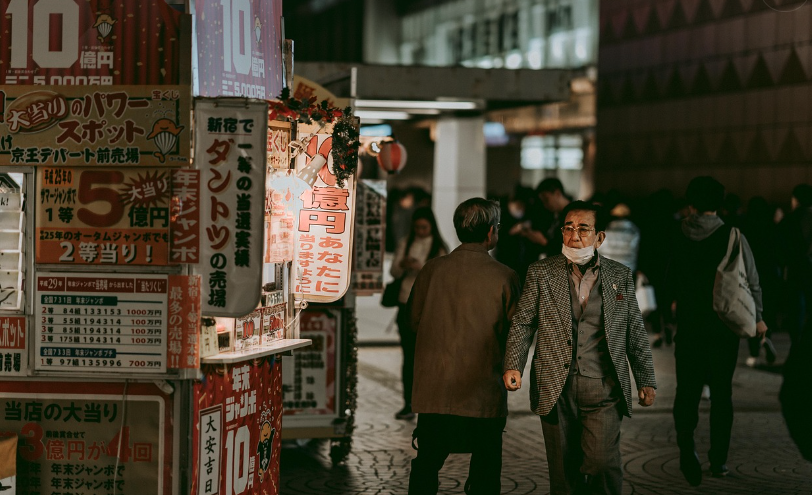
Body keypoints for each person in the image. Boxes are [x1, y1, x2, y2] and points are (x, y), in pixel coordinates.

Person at [503, 200, 657, 495]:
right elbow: (523, 322)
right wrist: (514, 364)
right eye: (568, 228)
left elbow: (634, 329)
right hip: (554, 386)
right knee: (563, 473)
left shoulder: (619, 276)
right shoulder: (541, 272)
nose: (574, 236)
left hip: (603, 386)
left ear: (600, 237)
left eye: (583, 229)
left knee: (602, 463)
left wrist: (646, 379)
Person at [408, 198, 520, 495]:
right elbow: (516, 333)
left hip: (434, 391)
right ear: (490, 233)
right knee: (485, 468)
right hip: (481, 391)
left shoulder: (432, 270)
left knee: (427, 462)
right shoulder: (505, 277)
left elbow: (413, 321)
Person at [666, 176, 766, 486]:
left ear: (691, 203)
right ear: (719, 203)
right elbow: (750, 279)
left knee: (687, 390)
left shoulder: (677, 233)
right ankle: (718, 460)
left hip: (689, 326)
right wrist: (758, 317)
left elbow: (667, 276)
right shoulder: (732, 235)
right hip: (723, 328)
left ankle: (686, 445)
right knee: (722, 394)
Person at [390, 207, 447, 420]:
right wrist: (403, 265)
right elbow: (394, 271)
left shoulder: (438, 247)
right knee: (408, 357)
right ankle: (409, 402)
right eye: (417, 228)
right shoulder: (406, 242)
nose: (421, 231)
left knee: (428, 358)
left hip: (429, 309)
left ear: (431, 226)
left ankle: (428, 403)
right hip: (405, 305)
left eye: (424, 227)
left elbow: (441, 277)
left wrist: (419, 266)